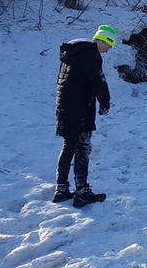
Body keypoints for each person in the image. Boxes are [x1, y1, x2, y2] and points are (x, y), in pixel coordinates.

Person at [53, 24, 115, 207]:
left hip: (64, 107)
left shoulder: (73, 53)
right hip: (80, 109)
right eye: (109, 46)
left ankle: (61, 188)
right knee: (82, 148)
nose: (108, 51)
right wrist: (105, 103)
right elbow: (99, 82)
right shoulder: (91, 55)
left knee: (68, 146)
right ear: (103, 40)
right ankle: (81, 192)